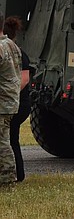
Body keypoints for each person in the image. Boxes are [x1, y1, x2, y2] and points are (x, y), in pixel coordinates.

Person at [3, 17, 31, 182]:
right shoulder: (16, 52)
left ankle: (16, 174)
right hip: (15, 102)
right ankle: (17, 174)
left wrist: (8, 94)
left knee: (10, 139)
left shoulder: (19, 54)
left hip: (17, 104)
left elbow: (24, 79)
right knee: (12, 139)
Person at [0, 18, 21, 185]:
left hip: (2, 101)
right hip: (9, 101)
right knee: (4, 139)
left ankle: (7, 180)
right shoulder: (11, 45)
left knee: (2, 142)